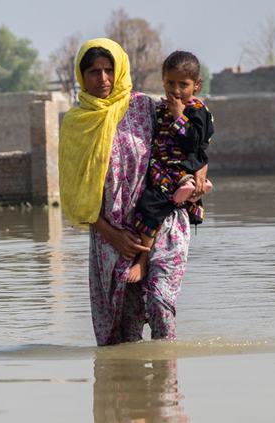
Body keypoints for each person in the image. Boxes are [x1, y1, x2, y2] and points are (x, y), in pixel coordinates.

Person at [58, 38, 206, 346]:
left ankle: (167, 383)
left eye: (109, 70)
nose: (103, 79)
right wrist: (112, 235)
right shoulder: (77, 124)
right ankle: (130, 388)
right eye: (93, 72)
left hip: (161, 221)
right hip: (111, 237)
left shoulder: (146, 107)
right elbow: (76, 195)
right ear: (81, 76)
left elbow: (192, 146)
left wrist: (199, 178)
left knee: (160, 302)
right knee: (124, 329)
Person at [126, 50, 215, 284]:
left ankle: (142, 260)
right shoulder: (159, 108)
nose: (176, 90)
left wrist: (179, 115)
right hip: (161, 167)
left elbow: (194, 142)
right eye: (170, 83)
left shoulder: (197, 110)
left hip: (182, 166)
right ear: (163, 81)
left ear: (196, 85)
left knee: (149, 207)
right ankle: (186, 189)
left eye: (183, 84)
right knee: (151, 198)